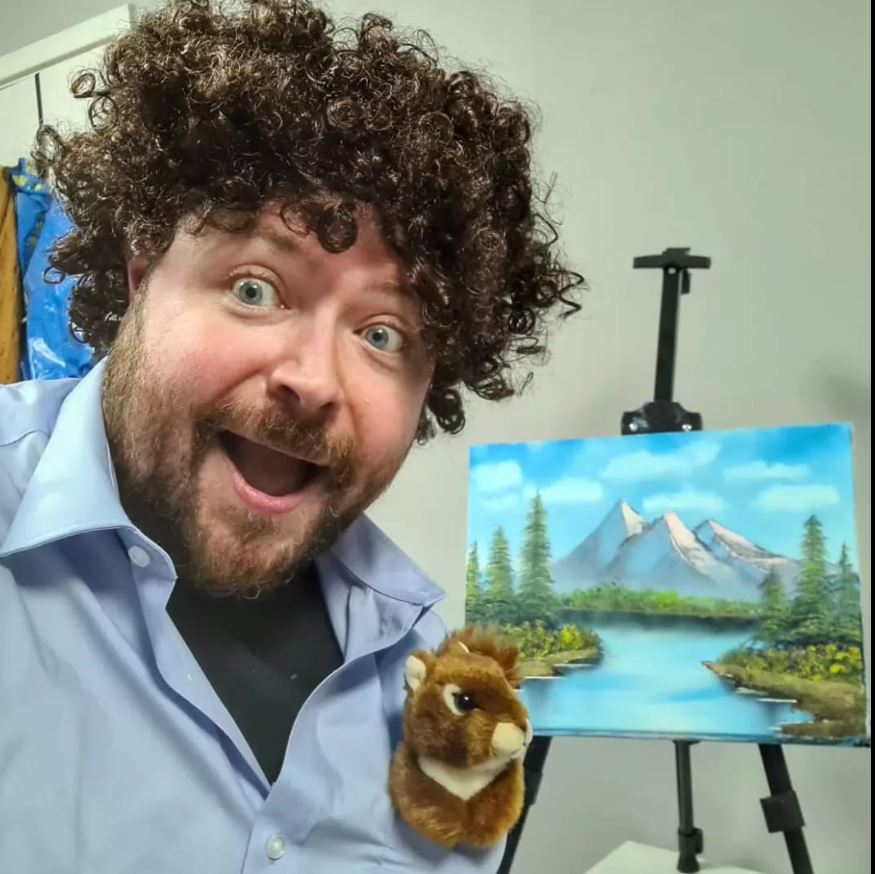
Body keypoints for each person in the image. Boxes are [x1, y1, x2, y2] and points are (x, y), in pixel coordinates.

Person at [0, 1, 582, 871]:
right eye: (255, 288)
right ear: (140, 268)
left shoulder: (433, 681)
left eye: (383, 334)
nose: (313, 380)